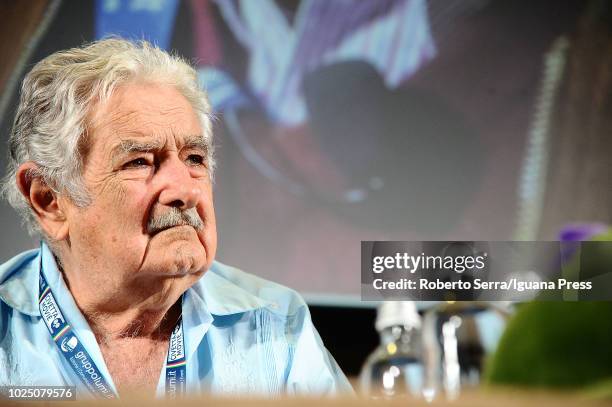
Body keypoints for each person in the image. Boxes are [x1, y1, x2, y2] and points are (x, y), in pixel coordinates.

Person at [0, 38, 351, 398]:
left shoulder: (275, 324)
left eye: (194, 158)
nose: (184, 190)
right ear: (49, 199)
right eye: (139, 162)